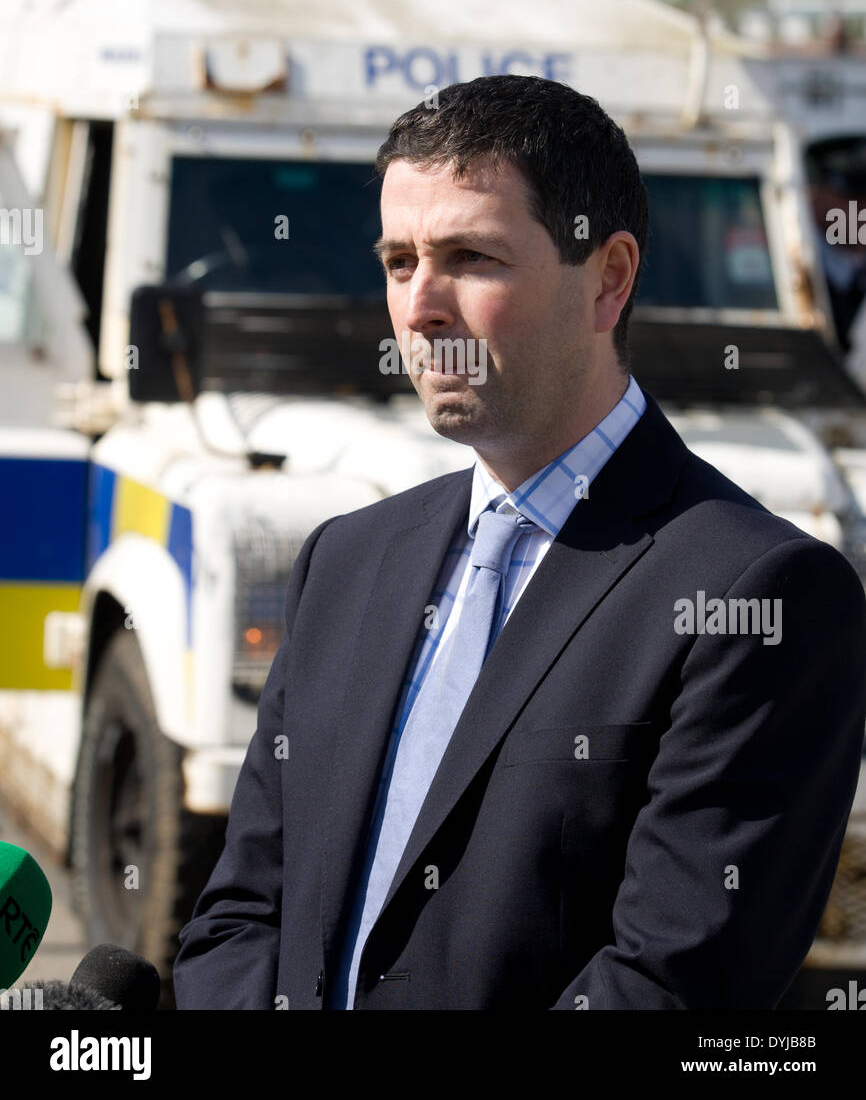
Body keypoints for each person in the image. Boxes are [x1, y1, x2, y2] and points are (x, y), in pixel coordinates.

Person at [173, 74, 866, 1010]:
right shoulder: (345, 561)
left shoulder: (757, 593)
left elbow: (677, 984)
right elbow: (241, 914)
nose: (420, 307)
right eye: (398, 260)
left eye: (470, 257)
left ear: (608, 280)